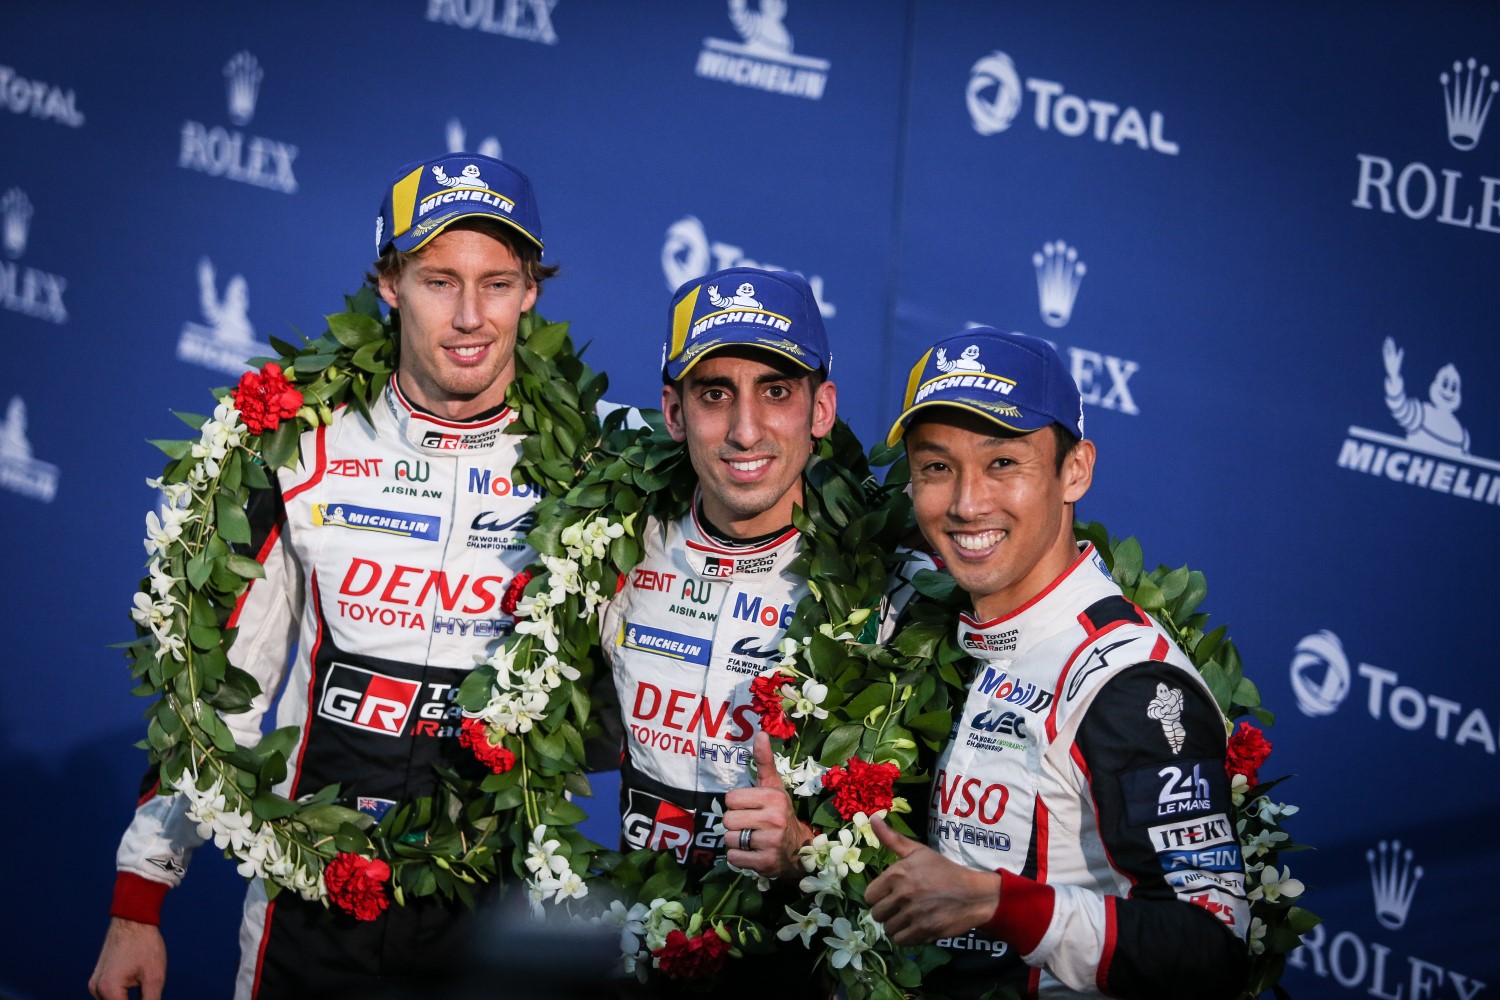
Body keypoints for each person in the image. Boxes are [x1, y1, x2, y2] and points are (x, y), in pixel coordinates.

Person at [90, 153, 570, 1000]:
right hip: (308, 911)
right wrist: (140, 900)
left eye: (496, 283)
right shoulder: (300, 442)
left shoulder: (588, 469)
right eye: (437, 280)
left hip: (494, 916)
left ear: (530, 290)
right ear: (389, 283)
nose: (469, 316)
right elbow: (218, 688)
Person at [863, 328, 1249, 999]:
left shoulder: (1126, 680)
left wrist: (997, 904)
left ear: (1076, 471)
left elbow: (1210, 948)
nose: (966, 503)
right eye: (936, 467)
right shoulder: (954, 626)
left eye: (1003, 463)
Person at [598, 267, 927, 975]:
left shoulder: (895, 598)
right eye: (715, 394)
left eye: (776, 392)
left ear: (821, 409)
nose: (745, 430)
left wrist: (803, 849)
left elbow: (940, 875)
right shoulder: (612, 541)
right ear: (674, 412)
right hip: (632, 955)